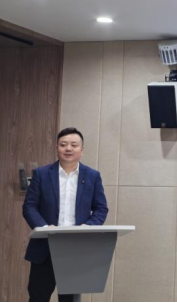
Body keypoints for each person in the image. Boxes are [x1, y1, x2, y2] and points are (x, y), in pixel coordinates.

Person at [23, 128, 109, 303]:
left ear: (81, 150)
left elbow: (101, 208)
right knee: (38, 297)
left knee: (70, 300)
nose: (68, 148)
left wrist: (89, 226)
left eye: (73, 145)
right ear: (57, 148)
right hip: (45, 247)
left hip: (75, 248)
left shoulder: (92, 176)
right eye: (63, 145)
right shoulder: (41, 174)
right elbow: (30, 206)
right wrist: (44, 228)